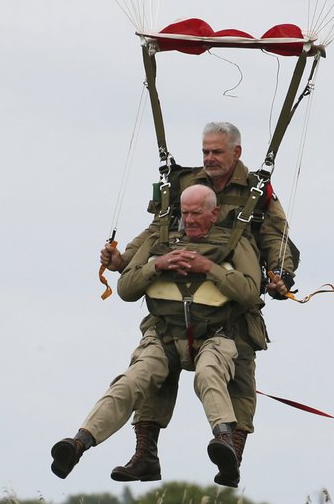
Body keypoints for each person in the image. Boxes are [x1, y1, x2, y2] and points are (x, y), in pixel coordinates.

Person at [101, 122, 298, 487]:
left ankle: (231, 455)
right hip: (176, 296)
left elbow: (276, 235)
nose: (209, 159)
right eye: (205, 151)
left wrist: (281, 274)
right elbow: (157, 228)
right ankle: (145, 454)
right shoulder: (187, 184)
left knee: (235, 372)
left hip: (233, 297)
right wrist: (124, 260)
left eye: (217, 152)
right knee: (153, 366)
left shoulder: (256, 190)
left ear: (236, 153)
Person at [53, 185, 263, 486]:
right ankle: (77, 444)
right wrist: (158, 265)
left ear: (214, 213)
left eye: (197, 214)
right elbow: (126, 288)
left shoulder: (235, 241)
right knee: (133, 379)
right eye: (185, 213)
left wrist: (208, 268)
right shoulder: (159, 239)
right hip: (164, 334)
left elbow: (249, 292)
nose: (189, 220)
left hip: (215, 333)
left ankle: (225, 441)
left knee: (209, 374)